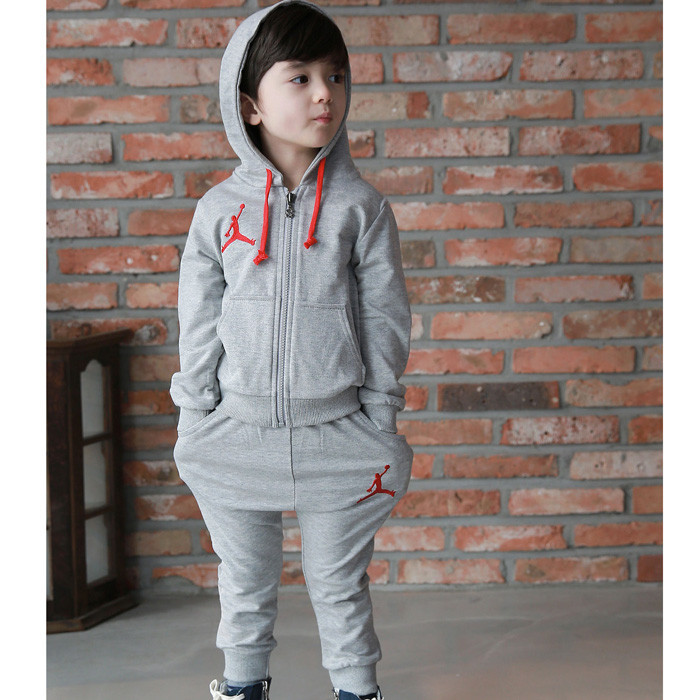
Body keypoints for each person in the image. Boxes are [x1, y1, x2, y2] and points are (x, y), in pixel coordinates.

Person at [170, 2, 413, 699]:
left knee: (339, 582)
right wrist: (197, 413)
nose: (324, 94)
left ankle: (358, 691)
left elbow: (385, 317)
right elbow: (198, 319)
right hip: (235, 430)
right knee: (244, 582)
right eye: (300, 77)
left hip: (338, 431)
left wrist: (379, 414)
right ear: (250, 106)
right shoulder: (219, 211)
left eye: (336, 76)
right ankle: (243, 687)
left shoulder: (361, 209)